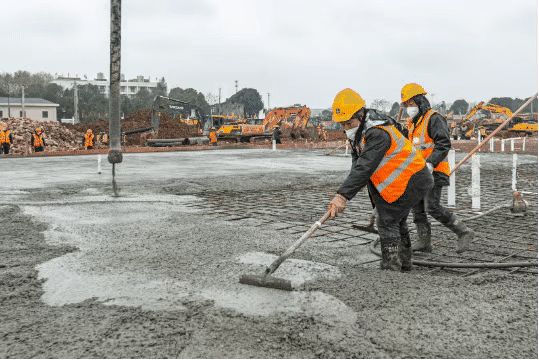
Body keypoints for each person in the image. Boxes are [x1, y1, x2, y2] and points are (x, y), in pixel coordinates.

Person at [328, 88, 433, 271]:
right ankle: (404, 265)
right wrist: (353, 186)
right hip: (405, 181)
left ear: (360, 115)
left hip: (412, 180)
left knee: (387, 221)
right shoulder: (360, 131)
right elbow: (358, 164)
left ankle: (391, 268)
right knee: (397, 220)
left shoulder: (377, 133)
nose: (345, 128)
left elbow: (365, 166)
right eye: (342, 124)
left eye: (348, 123)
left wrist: (342, 196)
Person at [401, 83, 474, 254]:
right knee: (416, 206)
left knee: (431, 206)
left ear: (419, 101)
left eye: (411, 104)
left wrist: (431, 163)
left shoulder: (434, 118)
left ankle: (464, 231)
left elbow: (443, 144)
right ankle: (424, 241)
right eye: (406, 105)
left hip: (434, 171)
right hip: (417, 172)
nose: (408, 108)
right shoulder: (412, 123)